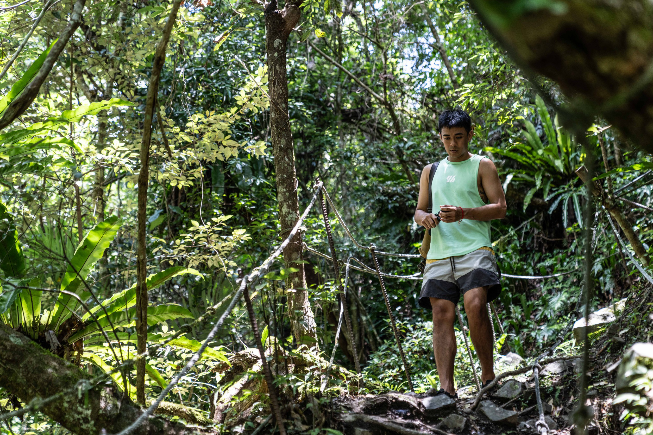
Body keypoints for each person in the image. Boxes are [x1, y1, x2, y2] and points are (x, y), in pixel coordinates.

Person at [414, 109, 507, 398]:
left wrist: (464, 212)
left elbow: (500, 207)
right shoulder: (431, 171)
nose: (452, 144)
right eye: (446, 138)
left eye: (458, 137)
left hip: (475, 249)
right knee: (441, 313)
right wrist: (424, 218)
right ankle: (446, 389)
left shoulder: (483, 165)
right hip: (439, 253)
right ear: (440, 137)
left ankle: (489, 377)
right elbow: (419, 209)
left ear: (470, 134)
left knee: (475, 303)